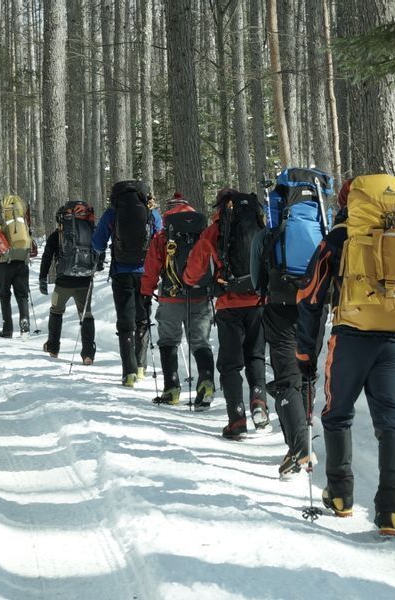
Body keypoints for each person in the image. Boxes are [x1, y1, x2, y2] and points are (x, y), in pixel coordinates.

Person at [296, 175, 395, 536]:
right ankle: (390, 512)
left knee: (337, 414)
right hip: (394, 339)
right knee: (392, 421)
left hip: (350, 337)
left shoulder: (338, 237)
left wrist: (305, 352)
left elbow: (310, 297)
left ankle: (340, 497)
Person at [251, 167, 333, 476]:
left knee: (287, 375)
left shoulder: (274, 226)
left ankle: (300, 446)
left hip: (281, 300)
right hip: (316, 302)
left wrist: (263, 291)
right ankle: (300, 444)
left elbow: (257, 264)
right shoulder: (323, 223)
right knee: (306, 370)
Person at [183, 188, 267, 440]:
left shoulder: (215, 230)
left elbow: (194, 268)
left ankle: (237, 418)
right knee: (255, 355)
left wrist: (189, 281)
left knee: (230, 364)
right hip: (257, 301)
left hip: (228, 304)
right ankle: (259, 401)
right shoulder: (260, 224)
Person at [140, 193, 214, 407]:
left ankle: (171, 389)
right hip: (200, 295)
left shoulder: (163, 236)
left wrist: (146, 292)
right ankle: (206, 381)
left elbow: (152, 267)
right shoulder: (203, 233)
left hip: (171, 297)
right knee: (200, 342)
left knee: (169, 341)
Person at [92, 180, 162, 387]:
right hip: (146, 273)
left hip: (121, 272)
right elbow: (160, 238)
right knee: (142, 318)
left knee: (125, 321)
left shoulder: (113, 212)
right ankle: (141, 367)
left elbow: (97, 243)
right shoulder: (151, 212)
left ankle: (128, 372)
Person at [39, 199, 99, 364]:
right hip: (85, 282)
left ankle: (53, 347)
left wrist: (42, 278)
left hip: (63, 283)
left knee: (56, 311)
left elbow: (47, 256)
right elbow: (99, 256)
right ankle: (88, 354)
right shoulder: (91, 230)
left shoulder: (58, 234)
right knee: (86, 314)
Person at [0, 194, 37, 338]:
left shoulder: (0, 224)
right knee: (22, 295)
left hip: (5, 263)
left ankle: (7, 328)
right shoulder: (23, 222)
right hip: (22, 261)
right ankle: (25, 325)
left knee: (5, 296)